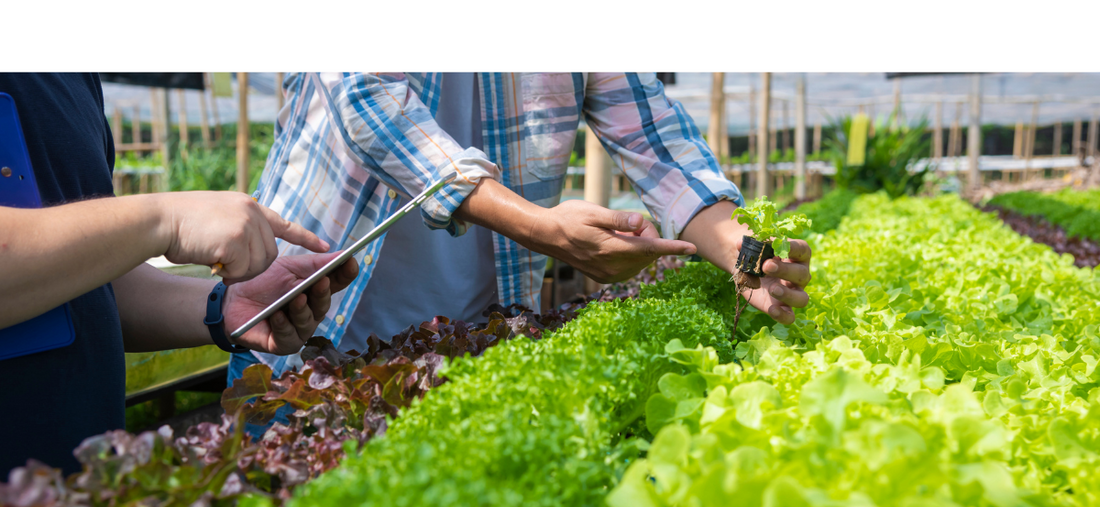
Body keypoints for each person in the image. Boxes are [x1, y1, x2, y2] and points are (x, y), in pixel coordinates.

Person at [232, 73, 812, 397]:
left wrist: (742, 251)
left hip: (474, 339)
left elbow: (657, 141)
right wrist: (543, 229)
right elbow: (369, 103)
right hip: (308, 317)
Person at [0, 73, 359, 478]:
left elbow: (88, 282)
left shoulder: (71, 76)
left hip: (82, 492)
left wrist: (225, 307)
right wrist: (165, 220)